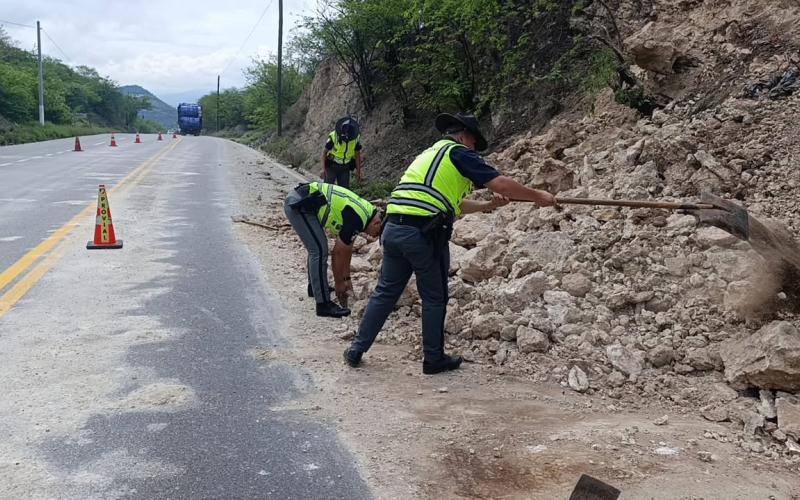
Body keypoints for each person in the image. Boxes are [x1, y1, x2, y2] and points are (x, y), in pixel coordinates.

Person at [343, 112, 556, 374]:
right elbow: (501, 183)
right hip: (421, 235)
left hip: (394, 229)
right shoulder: (459, 153)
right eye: (475, 144)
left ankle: (356, 349)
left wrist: (489, 205)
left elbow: (452, 204)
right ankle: (433, 359)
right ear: (465, 136)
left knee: (386, 292)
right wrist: (537, 196)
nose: (475, 151)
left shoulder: (429, 156)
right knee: (434, 297)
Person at [284, 181, 383, 318]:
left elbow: (346, 249)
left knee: (317, 246)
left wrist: (347, 279)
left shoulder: (365, 215)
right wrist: (339, 283)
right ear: (377, 223)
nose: (373, 236)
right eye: (377, 233)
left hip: (305, 201)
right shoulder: (358, 218)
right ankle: (323, 304)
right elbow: (337, 252)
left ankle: (314, 288)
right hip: (300, 204)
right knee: (318, 250)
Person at [322, 118, 362, 188]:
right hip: (332, 166)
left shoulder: (355, 139)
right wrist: (323, 169)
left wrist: (358, 172)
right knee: (327, 188)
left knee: (344, 191)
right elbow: (324, 153)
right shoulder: (333, 136)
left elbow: (357, 155)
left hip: (345, 168)